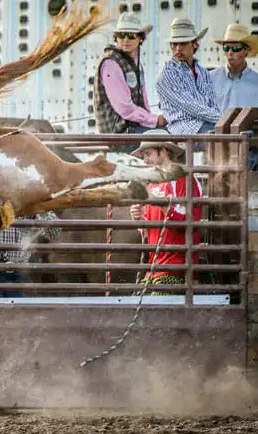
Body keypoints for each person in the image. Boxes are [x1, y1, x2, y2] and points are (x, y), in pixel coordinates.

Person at [129, 131, 203, 285]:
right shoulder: (153, 183)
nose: (145, 160)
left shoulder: (184, 179)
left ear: (163, 151)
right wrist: (138, 217)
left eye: (148, 154)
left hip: (177, 269)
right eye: (144, 156)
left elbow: (190, 221)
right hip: (156, 269)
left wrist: (162, 205)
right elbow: (149, 231)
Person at [210, 23, 258, 172]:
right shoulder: (209, 79)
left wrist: (252, 134)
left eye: (235, 48)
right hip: (217, 148)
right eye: (226, 48)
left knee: (253, 191)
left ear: (246, 51)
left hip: (251, 151)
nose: (230, 53)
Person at [94, 12, 166, 143]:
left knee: (172, 133)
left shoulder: (135, 65)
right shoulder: (111, 63)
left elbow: (143, 100)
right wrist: (155, 120)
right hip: (118, 133)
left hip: (132, 129)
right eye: (121, 36)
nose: (125, 40)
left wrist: (152, 120)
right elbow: (124, 108)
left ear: (140, 39)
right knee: (170, 137)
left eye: (131, 36)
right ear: (116, 38)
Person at [156, 18, 221, 137]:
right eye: (174, 44)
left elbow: (212, 102)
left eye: (183, 43)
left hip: (206, 124)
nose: (178, 49)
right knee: (230, 137)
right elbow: (190, 106)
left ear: (194, 44)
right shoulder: (168, 74)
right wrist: (221, 120)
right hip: (184, 128)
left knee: (241, 137)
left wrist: (222, 121)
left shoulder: (203, 72)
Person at [0, 213, 60, 298]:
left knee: (17, 313)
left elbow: (54, 232)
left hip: (17, 273)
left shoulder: (29, 202)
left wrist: (40, 206)